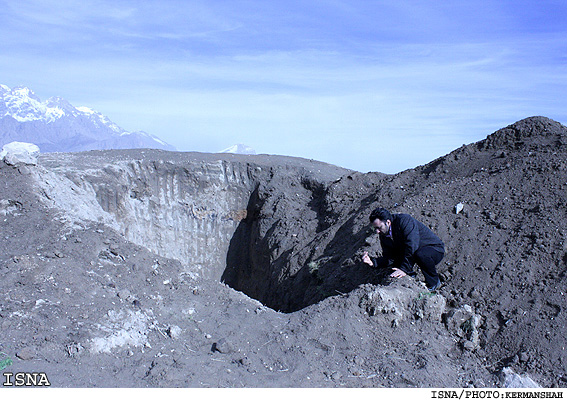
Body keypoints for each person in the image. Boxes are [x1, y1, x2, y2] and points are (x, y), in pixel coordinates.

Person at [362, 207, 445, 291]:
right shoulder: (384, 234)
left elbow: (412, 246)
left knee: (421, 254)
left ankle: (434, 283)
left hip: (434, 250)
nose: (377, 232)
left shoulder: (405, 221)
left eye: (379, 227)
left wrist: (404, 269)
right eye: (375, 228)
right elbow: (390, 257)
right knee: (396, 264)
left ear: (388, 222)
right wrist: (373, 262)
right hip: (414, 252)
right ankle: (410, 279)